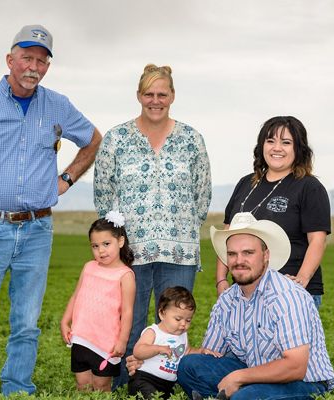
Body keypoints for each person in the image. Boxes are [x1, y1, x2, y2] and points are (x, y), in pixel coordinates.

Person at [0, 24, 102, 396]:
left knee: (26, 322)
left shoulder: (57, 105)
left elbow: (93, 140)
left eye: (42, 61)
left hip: (37, 229)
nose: (34, 66)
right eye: (27, 57)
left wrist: (68, 178)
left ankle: (17, 387)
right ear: (10, 59)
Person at [94, 63, 212, 387]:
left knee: (176, 321)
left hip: (179, 249)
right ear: (138, 95)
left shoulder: (191, 139)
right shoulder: (117, 138)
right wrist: (120, 239)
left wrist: (178, 227)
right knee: (129, 324)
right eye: (149, 93)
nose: (155, 100)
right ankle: (123, 386)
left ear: (172, 96)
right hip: (132, 250)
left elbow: (203, 196)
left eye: (162, 94)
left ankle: (167, 385)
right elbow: (103, 195)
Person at [178, 212, 334, 399]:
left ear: (266, 255)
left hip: (304, 381)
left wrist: (238, 377)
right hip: (254, 372)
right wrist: (162, 352)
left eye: (248, 253)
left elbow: (296, 367)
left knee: (245, 397)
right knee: (189, 366)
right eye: (232, 254)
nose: (239, 261)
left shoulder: (286, 296)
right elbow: (211, 354)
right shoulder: (227, 300)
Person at [216, 116, 331, 310]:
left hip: (290, 291)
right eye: (270, 141)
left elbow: (317, 241)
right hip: (245, 290)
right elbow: (226, 236)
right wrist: (221, 280)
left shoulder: (309, 187)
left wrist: (301, 281)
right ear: (262, 145)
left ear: (298, 148)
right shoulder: (246, 184)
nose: (277, 148)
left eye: (286, 142)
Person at [60, 211, 136, 392]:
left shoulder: (125, 275)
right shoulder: (89, 267)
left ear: (120, 241)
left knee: (101, 385)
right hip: (81, 336)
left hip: (106, 342)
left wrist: (122, 341)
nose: (100, 250)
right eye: (95, 246)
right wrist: (65, 321)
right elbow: (75, 296)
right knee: (83, 384)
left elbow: (127, 312)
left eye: (106, 244)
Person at [128, 286, 222, 399]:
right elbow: (138, 351)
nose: (183, 324)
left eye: (188, 320)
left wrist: (201, 351)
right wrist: (158, 349)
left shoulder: (182, 335)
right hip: (145, 379)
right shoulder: (153, 332)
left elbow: (187, 351)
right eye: (178, 319)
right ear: (162, 314)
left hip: (167, 385)